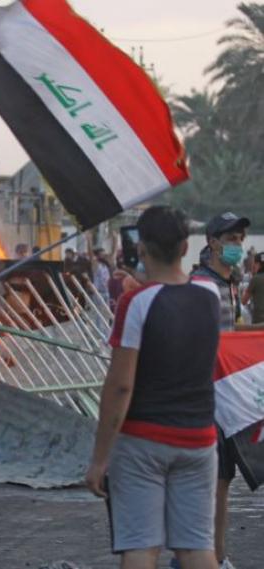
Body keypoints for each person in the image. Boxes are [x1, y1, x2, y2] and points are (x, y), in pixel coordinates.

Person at [86, 206, 221, 569]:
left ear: (141, 249)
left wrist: (100, 459)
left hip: (143, 443)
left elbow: (120, 388)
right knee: (196, 548)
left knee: (141, 547)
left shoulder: (135, 303)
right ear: (184, 248)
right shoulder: (211, 295)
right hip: (199, 439)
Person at [191, 212, 262, 569]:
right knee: (211, 485)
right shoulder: (203, 286)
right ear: (213, 242)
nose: (237, 245)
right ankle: (201, 556)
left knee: (221, 482)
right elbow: (203, 343)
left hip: (225, 397)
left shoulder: (229, 283)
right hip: (207, 397)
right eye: (231, 239)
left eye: (240, 238)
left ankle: (216, 555)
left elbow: (232, 334)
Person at [242, 252, 264, 325]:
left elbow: (244, 301)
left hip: (259, 321)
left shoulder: (255, 279)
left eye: (255, 263)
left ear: (258, 265)